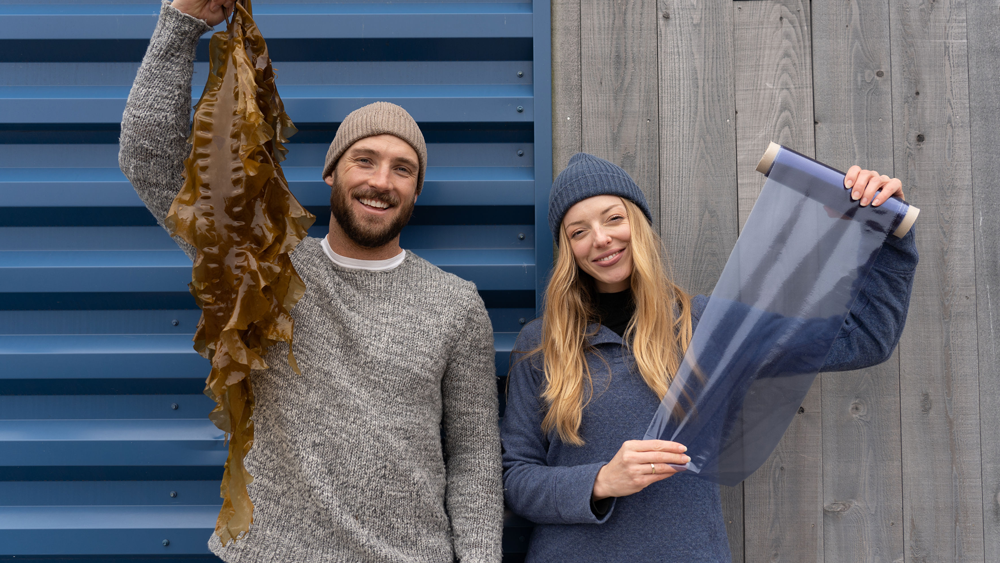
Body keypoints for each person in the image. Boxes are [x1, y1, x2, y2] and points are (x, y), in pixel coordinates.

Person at [118, 1, 503, 561]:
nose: (381, 181)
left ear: (417, 191)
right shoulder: (263, 263)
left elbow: (473, 463)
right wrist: (181, 23)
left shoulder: (456, 304)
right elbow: (148, 158)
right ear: (330, 174)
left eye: (403, 168)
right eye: (363, 160)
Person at [500, 153, 917, 562]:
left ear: (640, 224)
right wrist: (601, 481)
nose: (601, 238)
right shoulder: (540, 344)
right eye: (578, 231)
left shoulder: (707, 326)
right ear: (568, 249)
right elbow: (515, 479)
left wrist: (891, 231)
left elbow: (864, 338)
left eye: (613, 218)